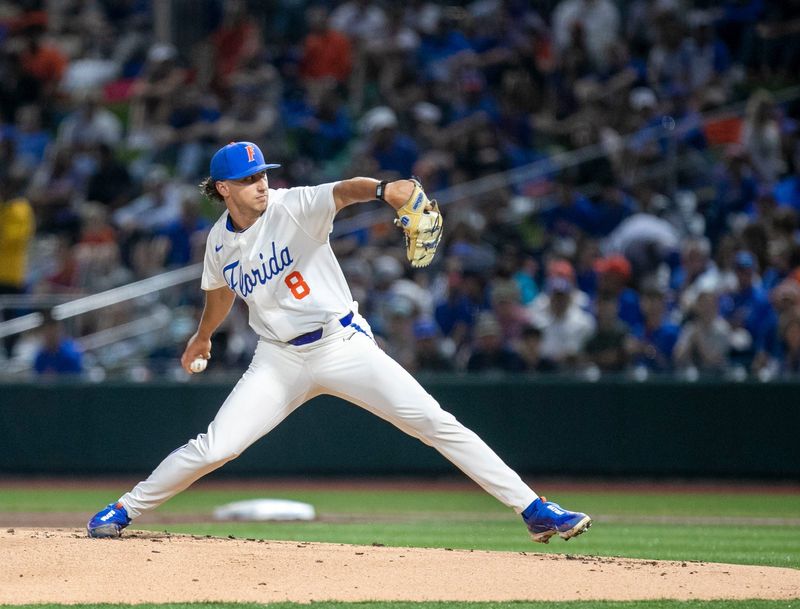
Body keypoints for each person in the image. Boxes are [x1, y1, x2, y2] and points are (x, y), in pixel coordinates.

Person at [86, 141, 591, 544]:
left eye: (263, 173)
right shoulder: (219, 241)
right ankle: (125, 509)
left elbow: (345, 190)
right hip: (278, 358)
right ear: (223, 188)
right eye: (248, 179)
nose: (261, 184)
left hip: (341, 344)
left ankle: (535, 510)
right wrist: (201, 337)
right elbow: (219, 294)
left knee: (435, 422)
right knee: (217, 446)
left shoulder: (294, 205)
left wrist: (387, 189)